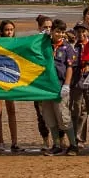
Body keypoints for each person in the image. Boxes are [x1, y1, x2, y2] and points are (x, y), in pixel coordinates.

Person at [43, 19, 78, 156]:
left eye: (63, 32)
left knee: (63, 116)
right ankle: (56, 145)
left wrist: (67, 85)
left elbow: (69, 67)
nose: (60, 34)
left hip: (60, 86)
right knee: (49, 116)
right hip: (45, 88)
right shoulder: (44, 45)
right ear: (51, 31)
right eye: (57, 31)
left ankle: (73, 145)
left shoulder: (67, 47)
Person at [0, 20, 23, 152]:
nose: (9, 32)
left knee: (11, 110)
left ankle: (14, 142)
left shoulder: (16, 44)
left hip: (10, 79)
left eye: (11, 30)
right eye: (6, 30)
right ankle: (1, 142)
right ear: (2, 31)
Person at [71, 21, 89, 151]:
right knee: (77, 111)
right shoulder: (73, 47)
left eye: (83, 31)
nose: (81, 34)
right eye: (78, 31)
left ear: (87, 32)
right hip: (76, 83)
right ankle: (78, 139)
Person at [35, 15, 54, 150]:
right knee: (41, 114)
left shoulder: (57, 41)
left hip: (54, 83)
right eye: (45, 27)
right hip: (39, 85)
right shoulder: (34, 42)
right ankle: (46, 140)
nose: (47, 30)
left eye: (50, 27)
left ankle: (60, 140)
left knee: (57, 113)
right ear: (39, 28)